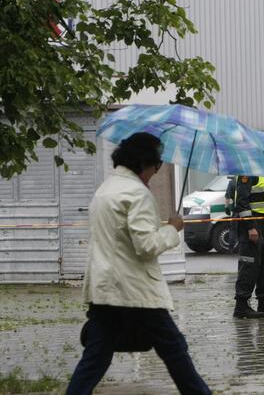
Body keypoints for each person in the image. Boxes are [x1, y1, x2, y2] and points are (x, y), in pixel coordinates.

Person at [67, 132, 210, 395]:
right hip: (135, 290)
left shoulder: (105, 190)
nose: (155, 173)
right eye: (156, 167)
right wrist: (173, 229)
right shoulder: (137, 195)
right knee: (175, 349)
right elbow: (146, 247)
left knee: (95, 358)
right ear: (145, 163)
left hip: (104, 287)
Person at [225, 174, 264, 318]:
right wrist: (250, 227)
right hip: (251, 224)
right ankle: (241, 306)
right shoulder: (247, 173)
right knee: (249, 266)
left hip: (261, 222)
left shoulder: (263, 174)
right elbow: (242, 202)